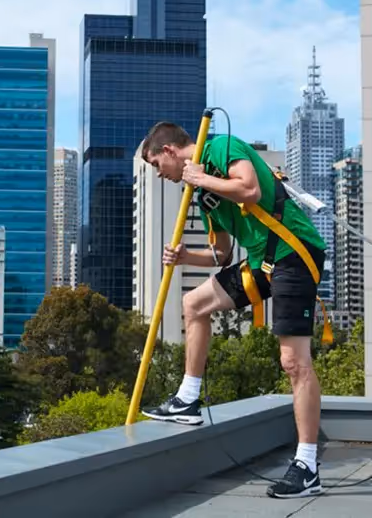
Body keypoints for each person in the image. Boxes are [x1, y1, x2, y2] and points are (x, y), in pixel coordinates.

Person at [138, 121, 328, 499]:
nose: (160, 176)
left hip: (293, 255)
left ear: (170, 152)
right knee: (194, 303)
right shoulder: (201, 195)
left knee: (294, 362)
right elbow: (220, 254)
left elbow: (251, 190)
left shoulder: (221, 147)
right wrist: (182, 256)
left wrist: (202, 178)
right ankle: (188, 399)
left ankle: (307, 466)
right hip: (262, 263)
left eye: (158, 166)